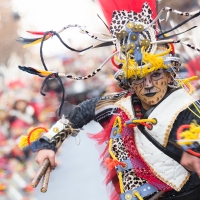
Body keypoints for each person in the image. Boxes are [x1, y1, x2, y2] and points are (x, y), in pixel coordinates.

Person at [17, 0, 200, 199]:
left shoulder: (186, 108)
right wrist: (48, 145)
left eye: (155, 75)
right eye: (139, 77)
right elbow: (76, 115)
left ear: (169, 75)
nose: (148, 85)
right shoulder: (114, 106)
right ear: (128, 81)